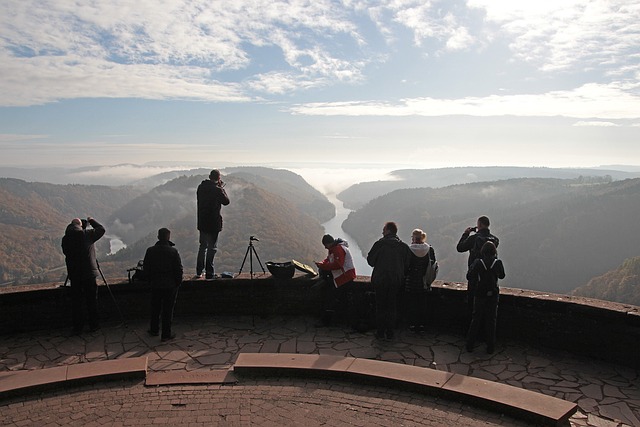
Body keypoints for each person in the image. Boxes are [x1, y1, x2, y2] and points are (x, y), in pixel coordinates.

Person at [61, 216, 106, 335]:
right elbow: (101, 229)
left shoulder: (65, 239)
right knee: (91, 300)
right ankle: (94, 325)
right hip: (89, 274)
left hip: (75, 275)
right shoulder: (86, 235)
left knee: (77, 302)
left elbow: (67, 252)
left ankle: (78, 327)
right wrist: (91, 220)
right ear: (80, 226)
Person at [367, 221, 411, 340]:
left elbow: (370, 261)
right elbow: (407, 265)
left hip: (380, 279)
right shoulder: (403, 247)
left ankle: (380, 332)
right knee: (392, 306)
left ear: (388, 231)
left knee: (380, 306)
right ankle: (390, 332)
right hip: (396, 280)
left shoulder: (379, 245)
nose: (382, 231)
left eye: (384, 229)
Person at [143, 228, 184, 341]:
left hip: (155, 284)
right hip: (170, 285)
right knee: (168, 310)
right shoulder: (173, 251)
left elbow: (146, 268)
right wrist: (177, 283)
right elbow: (178, 269)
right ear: (168, 237)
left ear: (158, 237)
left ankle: (154, 329)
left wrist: (149, 281)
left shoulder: (150, 251)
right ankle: (166, 334)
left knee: (155, 308)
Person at [456, 216, 499, 320]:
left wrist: (466, 233)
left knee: (473, 307)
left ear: (479, 225)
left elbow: (460, 248)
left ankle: (472, 331)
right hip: (491, 279)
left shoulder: (473, 238)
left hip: (475, 277)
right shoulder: (495, 240)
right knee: (489, 311)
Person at [465, 241, 505, 354]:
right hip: (493, 294)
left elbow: (469, 276)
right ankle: (490, 347)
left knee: (476, 319)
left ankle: (470, 345)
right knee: (491, 320)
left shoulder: (478, 262)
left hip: (479, 294)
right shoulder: (498, 263)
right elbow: (502, 275)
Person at [314, 234, 361, 328]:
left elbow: (338, 264)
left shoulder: (338, 249)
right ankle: (340, 321)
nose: (325, 247)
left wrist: (323, 266)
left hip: (344, 278)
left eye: (325, 245)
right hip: (343, 277)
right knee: (341, 300)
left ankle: (328, 321)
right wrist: (322, 263)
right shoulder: (334, 249)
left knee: (332, 299)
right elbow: (329, 260)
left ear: (329, 243)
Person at [196, 169, 230, 279]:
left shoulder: (201, 187)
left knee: (202, 247)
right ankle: (209, 273)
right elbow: (226, 201)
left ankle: (198, 272)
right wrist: (221, 188)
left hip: (202, 222)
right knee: (212, 248)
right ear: (218, 178)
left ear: (209, 176)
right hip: (213, 222)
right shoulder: (217, 190)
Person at [404, 228, 436, 332]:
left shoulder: (409, 250)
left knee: (412, 302)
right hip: (424, 280)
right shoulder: (429, 249)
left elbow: (406, 265)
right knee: (422, 303)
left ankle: (412, 324)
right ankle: (421, 324)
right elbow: (433, 264)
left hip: (411, 280)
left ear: (413, 237)